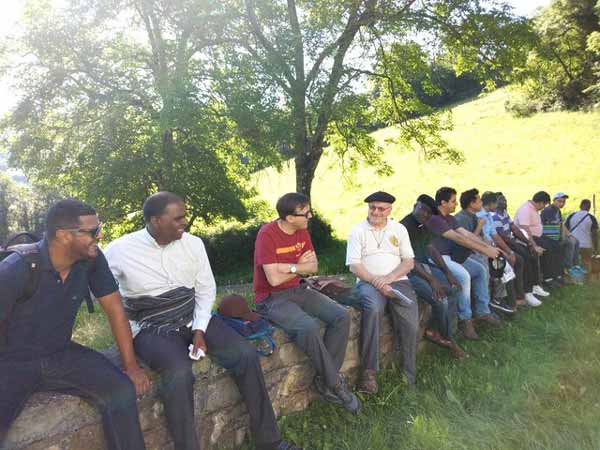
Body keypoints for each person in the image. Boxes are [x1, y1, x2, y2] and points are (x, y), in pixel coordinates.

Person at [105, 192, 300, 450]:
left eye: (184, 216)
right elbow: (108, 300)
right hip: (152, 327)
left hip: (194, 316)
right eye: (177, 218)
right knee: (178, 373)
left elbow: (206, 289)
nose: (184, 222)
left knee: (244, 354)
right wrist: (131, 337)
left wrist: (199, 330)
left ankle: (270, 441)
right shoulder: (118, 251)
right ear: (155, 221)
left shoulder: (193, 244)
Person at [0, 199, 149, 450]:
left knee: (121, 390)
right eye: (92, 231)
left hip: (60, 353)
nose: (99, 235)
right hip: (11, 362)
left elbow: (115, 310)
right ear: (63, 235)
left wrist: (131, 366)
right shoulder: (16, 269)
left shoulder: (91, 260)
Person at [253, 193, 359, 413]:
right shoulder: (267, 235)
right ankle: (335, 384)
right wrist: (298, 266)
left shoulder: (302, 231)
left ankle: (325, 380)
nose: (310, 216)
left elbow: (312, 267)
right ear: (290, 218)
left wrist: (289, 267)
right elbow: (273, 280)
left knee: (341, 315)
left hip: (298, 289)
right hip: (271, 299)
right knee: (307, 326)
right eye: (306, 213)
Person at [343, 191, 419, 394]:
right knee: (374, 308)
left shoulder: (399, 229)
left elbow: (409, 262)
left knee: (410, 320)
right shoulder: (357, 231)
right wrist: (377, 281)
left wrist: (390, 278)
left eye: (381, 208)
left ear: (389, 210)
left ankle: (409, 373)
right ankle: (369, 373)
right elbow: (354, 266)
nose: (376, 212)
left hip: (398, 281)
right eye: (372, 208)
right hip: (368, 282)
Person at [426, 187, 502, 341]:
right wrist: (485, 250)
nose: (456, 204)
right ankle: (465, 320)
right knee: (464, 276)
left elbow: (466, 234)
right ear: (443, 203)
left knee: (480, 270)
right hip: (437, 258)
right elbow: (459, 238)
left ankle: (483, 311)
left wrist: (488, 247)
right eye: (453, 201)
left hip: (450, 257)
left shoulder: (450, 218)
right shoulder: (435, 219)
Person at [400, 194, 468, 360]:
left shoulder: (422, 225)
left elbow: (431, 249)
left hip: (423, 268)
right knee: (440, 299)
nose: (425, 214)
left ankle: (435, 331)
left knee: (454, 289)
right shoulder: (404, 227)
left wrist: (448, 273)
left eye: (429, 213)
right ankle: (449, 341)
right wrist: (432, 280)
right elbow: (409, 261)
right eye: (423, 209)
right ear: (415, 205)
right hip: (407, 273)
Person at [455, 189, 516, 315]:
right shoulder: (462, 218)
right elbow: (467, 241)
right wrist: (480, 227)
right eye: (479, 200)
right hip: (468, 253)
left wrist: (494, 249)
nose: (481, 203)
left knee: (500, 261)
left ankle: (497, 300)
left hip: (478, 250)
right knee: (486, 268)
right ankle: (485, 306)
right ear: (471, 203)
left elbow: (483, 238)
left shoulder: (475, 216)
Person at [492, 193, 549, 306]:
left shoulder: (505, 213)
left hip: (512, 241)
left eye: (505, 199)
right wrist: (515, 247)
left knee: (532, 253)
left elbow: (515, 229)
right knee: (522, 259)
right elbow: (502, 236)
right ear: (495, 203)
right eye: (501, 200)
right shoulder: (495, 216)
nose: (504, 202)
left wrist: (528, 242)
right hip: (503, 244)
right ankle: (524, 293)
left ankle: (534, 286)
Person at [514, 191, 563, 288]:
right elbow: (525, 230)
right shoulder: (526, 210)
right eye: (544, 204)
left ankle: (556, 274)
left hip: (538, 236)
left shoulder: (534, 209)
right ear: (540, 202)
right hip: (527, 238)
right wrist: (534, 245)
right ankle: (547, 278)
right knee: (547, 249)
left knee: (556, 245)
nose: (544, 207)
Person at [541, 192, 581, 276]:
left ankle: (576, 265)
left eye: (563, 201)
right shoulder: (549, 210)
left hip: (557, 235)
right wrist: (561, 238)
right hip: (549, 237)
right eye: (559, 201)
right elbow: (550, 227)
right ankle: (568, 267)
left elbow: (561, 224)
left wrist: (569, 235)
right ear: (554, 201)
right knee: (570, 243)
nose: (562, 203)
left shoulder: (557, 211)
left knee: (576, 241)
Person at [565, 199, 599, 271]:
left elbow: (565, 229)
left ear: (580, 206)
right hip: (586, 245)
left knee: (574, 264)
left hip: (573, 243)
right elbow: (594, 234)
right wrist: (595, 248)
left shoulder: (572, 215)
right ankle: (587, 276)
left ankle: (575, 276)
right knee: (587, 263)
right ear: (589, 207)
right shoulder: (591, 218)